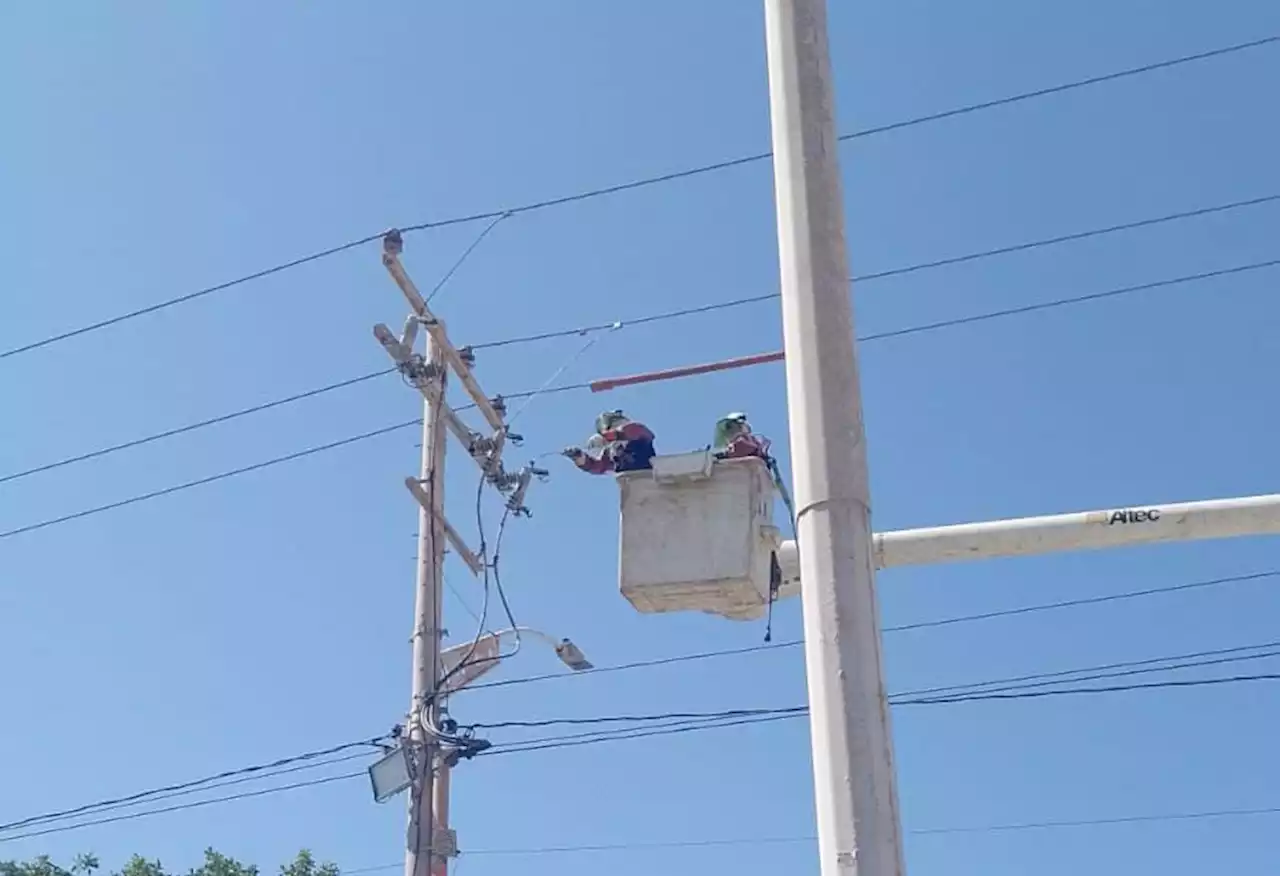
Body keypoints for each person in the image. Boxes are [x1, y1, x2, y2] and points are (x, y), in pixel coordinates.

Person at [563, 410, 657, 474]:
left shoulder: (635, 433)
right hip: (630, 482)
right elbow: (596, 466)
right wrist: (578, 456)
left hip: (649, 475)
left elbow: (637, 430)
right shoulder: (610, 452)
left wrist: (611, 435)